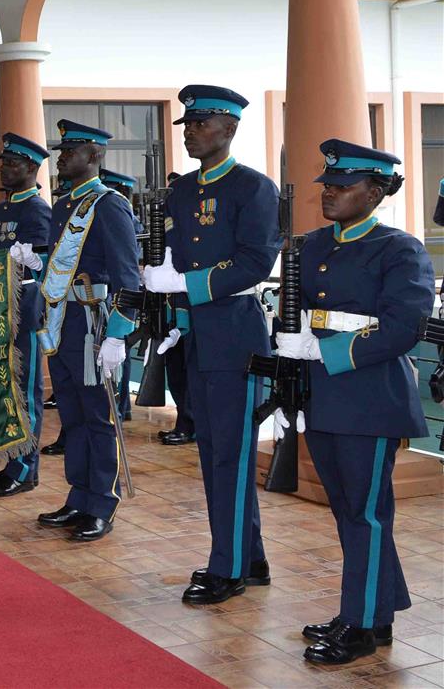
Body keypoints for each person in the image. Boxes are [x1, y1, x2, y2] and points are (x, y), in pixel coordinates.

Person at [270, 140, 434, 664]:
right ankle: (374, 610)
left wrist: (323, 348)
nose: (331, 193)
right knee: (349, 510)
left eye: (344, 186)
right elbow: (294, 312)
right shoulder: (312, 245)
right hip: (320, 395)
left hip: (369, 397)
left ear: (376, 191)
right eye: (329, 185)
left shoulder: (399, 250)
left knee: (363, 514)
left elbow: (404, 328)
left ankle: (360, 626)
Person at [143, 85, 280, 602]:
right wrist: (163, 286)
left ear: (230, 128)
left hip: (233, 334)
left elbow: (254, 262)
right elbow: (174, 255)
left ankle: (229, 567)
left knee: (231, 454)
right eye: (188, 125)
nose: (192, 133)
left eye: (201, 124)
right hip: (193, 335)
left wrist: (186, 285)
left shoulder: (252, 188)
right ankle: (250, 555)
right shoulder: (183, 192)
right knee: (213, 450)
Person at [34, 120, 141, 542]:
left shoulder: (107, 204)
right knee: (73, 416)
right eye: (62, 151)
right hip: (63, 322)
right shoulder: (64, 206)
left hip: (92, 325)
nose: (61, 158)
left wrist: (117, 334)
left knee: (98, 417)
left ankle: (102, 501)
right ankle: (78, 496)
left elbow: (128, 277)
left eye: (70, 151)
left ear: (95, 157)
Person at [0, 133, 52, 498]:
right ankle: (10, 461)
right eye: (3, 162)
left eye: (13, 163)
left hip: (23, 312)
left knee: (25, 393)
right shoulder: (1, 211)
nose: (4, 168)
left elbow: (42, 266)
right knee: (4, 391)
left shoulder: (37, 211)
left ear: (33, 169)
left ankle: (25, 469)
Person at [101, 168, 143, 422]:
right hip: (114, 293)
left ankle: (121, 404)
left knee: (120, 352)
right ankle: (120, 404)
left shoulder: (127, 218)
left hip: (122, 295)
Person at [157, 171, 195, 446]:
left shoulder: (193, 229)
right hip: (171, 306)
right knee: (176, 370)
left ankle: (188, 422)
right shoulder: (170, 224)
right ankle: (183, 418)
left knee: (189, 370)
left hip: (190, 306)